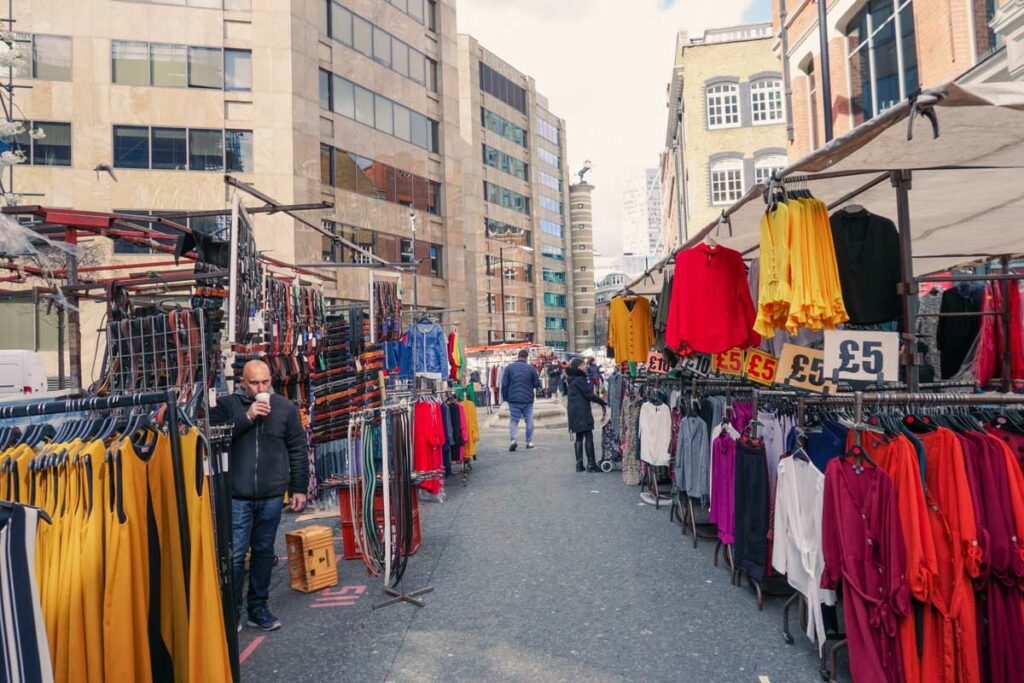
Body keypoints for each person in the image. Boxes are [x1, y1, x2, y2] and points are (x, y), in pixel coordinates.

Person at [210, 360, 309, 632]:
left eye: (265, 382)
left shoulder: (285, 408)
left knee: (264, 552)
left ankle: (258, 608)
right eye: (255, 383)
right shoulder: (227, 406)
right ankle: (230, 612)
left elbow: (298, 448)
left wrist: (299, 487)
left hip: (272, 494)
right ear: (243, 382)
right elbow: (213, 439)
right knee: (235, 554)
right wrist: (248, 416)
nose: (261, 388)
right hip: (238, 494)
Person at [566, 356, 607, 472]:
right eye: (583, 365)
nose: (585, 366)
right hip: (582, 411)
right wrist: (602, 402)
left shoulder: (572, 378)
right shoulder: (579, 379)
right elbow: (588, 395)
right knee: (588, 436)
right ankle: (591, 465)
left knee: (579, 437)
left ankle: (579, 465)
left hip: (574, 411)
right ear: (578, 367)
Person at [501, 348, 542, 451]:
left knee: (514, 420)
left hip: (513, 399)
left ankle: (514, 440)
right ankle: (529, 442)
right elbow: (537, 384)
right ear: (527, 357)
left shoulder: (509, 368)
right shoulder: (531, 369)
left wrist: (505, 397)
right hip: (527, 399)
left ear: (518, 356)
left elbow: (504, 384)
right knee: (529, 420)